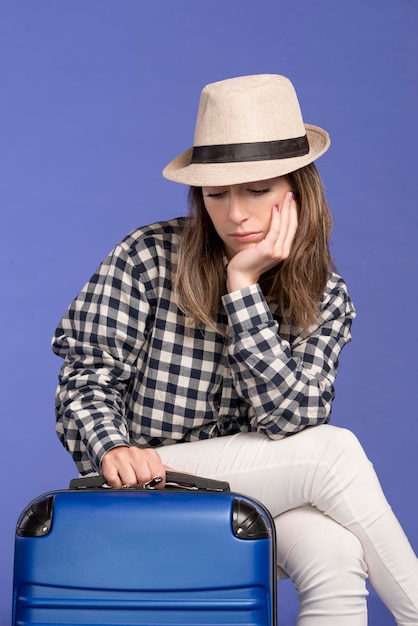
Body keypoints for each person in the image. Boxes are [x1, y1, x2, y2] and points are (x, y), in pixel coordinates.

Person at [52, 74, 418, 625]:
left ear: (298, 190)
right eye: (216, 194)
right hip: (148, 480)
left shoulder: (325, 295)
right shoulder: (149, 256)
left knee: (335, 554)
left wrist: (242, 291)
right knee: (335, 454)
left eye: (256, 190)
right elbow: (85, 377)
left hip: (248, 490)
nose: (236, 214)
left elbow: (293, 421)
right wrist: (110, 448)